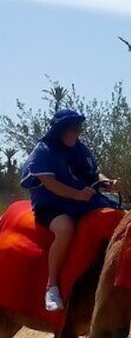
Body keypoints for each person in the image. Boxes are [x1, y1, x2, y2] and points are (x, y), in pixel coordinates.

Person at [20, 109, 122, 311]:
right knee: (65, 229)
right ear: (59, 130)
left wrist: (107, 182)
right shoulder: (43, 151)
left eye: (77, 129)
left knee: (118, 219)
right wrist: (76, 194)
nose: (74, 134)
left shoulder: (79, 149)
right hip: (52, 205)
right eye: (70, 129)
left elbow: (94, 173)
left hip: (82, 200)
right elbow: (50, 183)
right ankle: (52, 286)